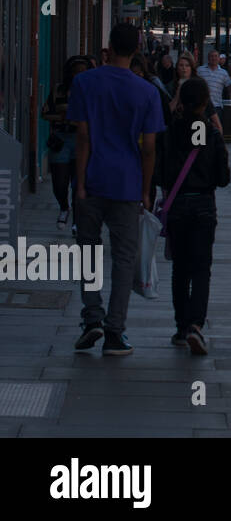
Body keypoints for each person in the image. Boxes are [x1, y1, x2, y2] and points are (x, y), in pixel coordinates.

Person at [67, 23, 167, 357]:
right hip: (127, 184)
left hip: (91, 179)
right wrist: (146, 189)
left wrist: (79, 183)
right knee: (124, 258)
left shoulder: (84, 82)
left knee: (89, 253)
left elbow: (82, 137)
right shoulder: (147, 92)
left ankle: (91, 317)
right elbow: (149, 147)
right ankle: (115, 330)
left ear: (108, 46)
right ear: (137, 50)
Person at [156, 78, 230, 355]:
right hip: (203, 206)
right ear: (203, 103)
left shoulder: (169, 133)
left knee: (180, 269)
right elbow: (223, 178)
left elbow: (159, 174)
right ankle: (196, 325)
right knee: (201, 268)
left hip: (176, 206)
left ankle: (181, 325)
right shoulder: (210, 133)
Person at [42, 55, 95, 230]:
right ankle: (64, 206)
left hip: (81, 138)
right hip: (61, 139)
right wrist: (61, 117)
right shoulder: (59, 90)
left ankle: (77, 221)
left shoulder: (90, 92)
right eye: (75, 72)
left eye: (82, 72)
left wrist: (75, 120)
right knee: (59, 181)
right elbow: (45, 113)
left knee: (78, 181)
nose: (78, 75)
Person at [197, 49, 231, 113]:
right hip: (201, 106)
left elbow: (229, 88)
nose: (214, 58)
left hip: (217, 106)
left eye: (216, 56)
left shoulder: (224, 73)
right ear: (208, 58)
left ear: (219, 58)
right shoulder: (200, 70)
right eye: (211, 56)